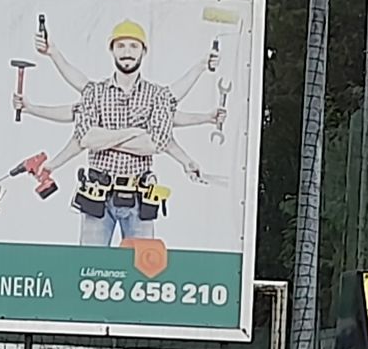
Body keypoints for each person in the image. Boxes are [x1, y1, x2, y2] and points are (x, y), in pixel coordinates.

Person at [16, 21, 225, 246]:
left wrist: (104, 139)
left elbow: (157, 142)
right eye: (121, 45)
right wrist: (135, 132)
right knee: (90, 265)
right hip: (97, 196)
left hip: (139, 197)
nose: (127, 52)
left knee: (141, 268)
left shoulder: (157, 97)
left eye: (134, 46)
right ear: (112, 50)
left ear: (144, 51)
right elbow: (85, 139)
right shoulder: (94, 93)